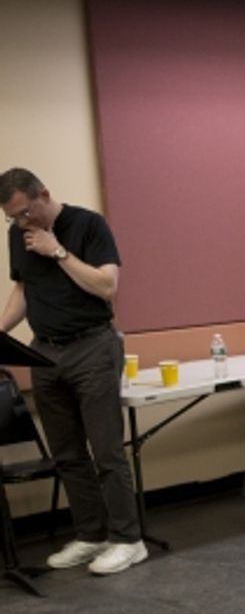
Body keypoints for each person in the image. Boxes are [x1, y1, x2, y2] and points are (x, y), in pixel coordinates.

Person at [0, 167, 144, 576]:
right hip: (44, 352)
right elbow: (24, 290)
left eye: (26, 213)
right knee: (67, 453)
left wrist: (57, 251)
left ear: (43, 194)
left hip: (93, 346)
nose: (21, 223)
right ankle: (91, 534)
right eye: (13, 218)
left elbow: (106, 286)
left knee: (106, 451)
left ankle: (128, 540)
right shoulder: (18, 236)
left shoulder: (88, 225)